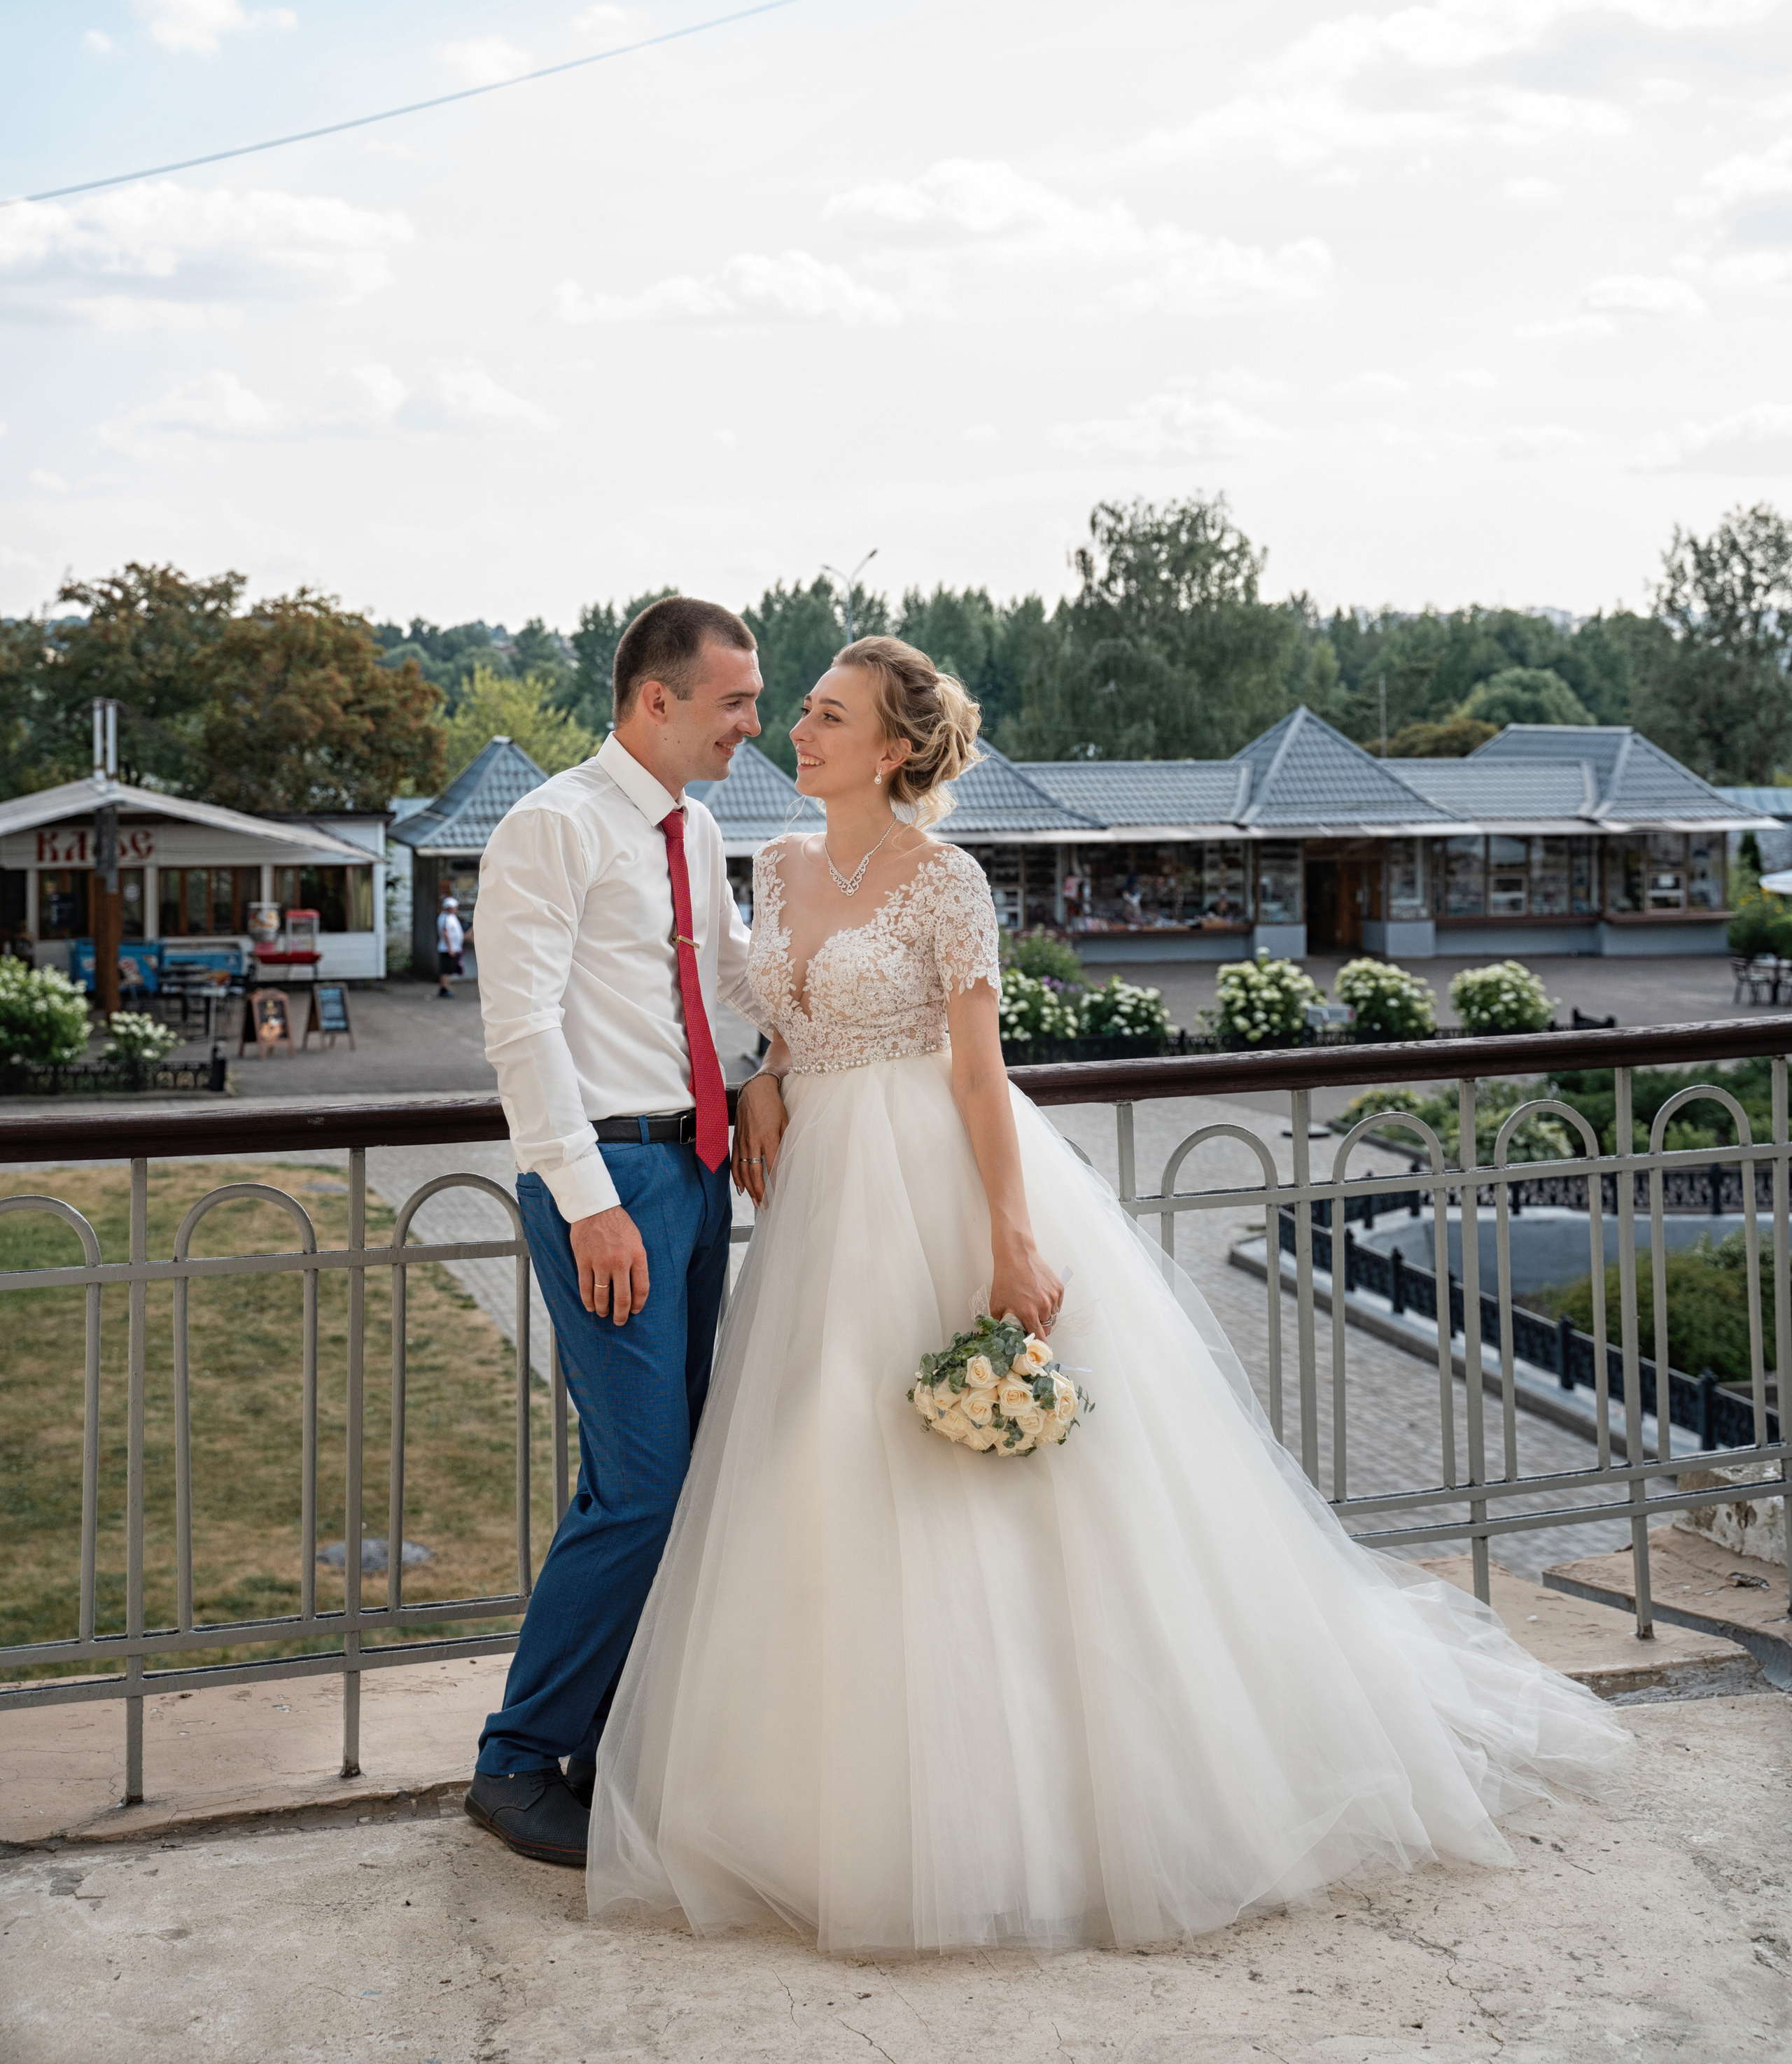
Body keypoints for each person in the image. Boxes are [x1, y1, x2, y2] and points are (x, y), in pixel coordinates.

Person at [584, 637, 1626, 1955]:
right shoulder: (777, 866)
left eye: (828, 715)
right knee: (817, 1458)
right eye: (799, 711)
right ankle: (798, 1794)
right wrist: (766, 1075)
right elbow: (775, 1013)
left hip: (935, 1181)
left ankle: (1022, 1807)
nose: (800, 730)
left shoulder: (950, 883)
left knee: (977, 1480)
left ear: (895, 749)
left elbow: (976, 1076)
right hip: (822, 1206)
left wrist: (1013, 1244)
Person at [463, 596, 780, 1867]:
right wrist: (590, 1202)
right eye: (736, 703)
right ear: (658, 701)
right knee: (641, 1487)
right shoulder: (550, 828)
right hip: (613, 1186)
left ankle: (619, 1740)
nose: (752, 727)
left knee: (680, 1475)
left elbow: (718, 980)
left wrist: (759, 1067)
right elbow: (522, 1028)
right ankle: (520, 1760)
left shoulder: (693, 830)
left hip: (695, 1173)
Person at [435, 893, 464, 997]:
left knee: (449, 970)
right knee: (446, 971)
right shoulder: (446, 918)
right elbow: (446, 933)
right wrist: (450, 948)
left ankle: (446, 988)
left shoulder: (451, 916)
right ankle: (444, 989)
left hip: (452, 948)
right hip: (447, 949)